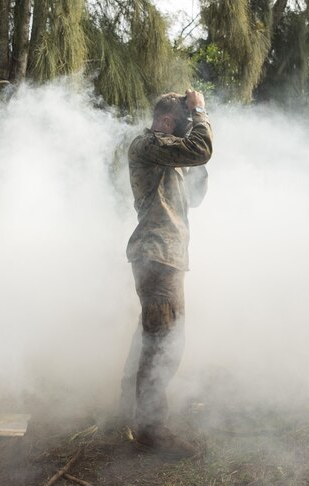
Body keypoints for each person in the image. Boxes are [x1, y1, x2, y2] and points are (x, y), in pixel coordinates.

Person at [120, 89, 213, 455]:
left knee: (151, 336)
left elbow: (196, 194)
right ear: (164, 122)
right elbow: (201, 148)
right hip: (157, 255)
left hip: (165, 256)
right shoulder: (147, 144)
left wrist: (196, 153)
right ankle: (150, 430)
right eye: (182, 124)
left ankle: (130, 412)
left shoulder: (165, 156)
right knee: (165, 343)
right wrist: (201, 112)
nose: (187, 131)